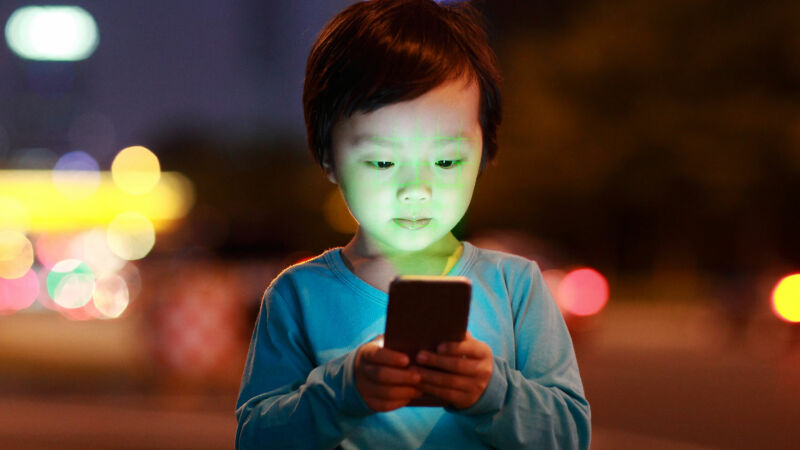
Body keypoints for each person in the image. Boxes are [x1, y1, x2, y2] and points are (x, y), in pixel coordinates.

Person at [235, 0, 591, 448]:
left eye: (445, 160)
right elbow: (255, 438)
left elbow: (569, 436)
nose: (416, 188)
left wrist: (492, 392)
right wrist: (344, 391)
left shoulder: (516, 287)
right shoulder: (298, 296)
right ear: (328, 156)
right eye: (383, 160)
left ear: (485, 151)